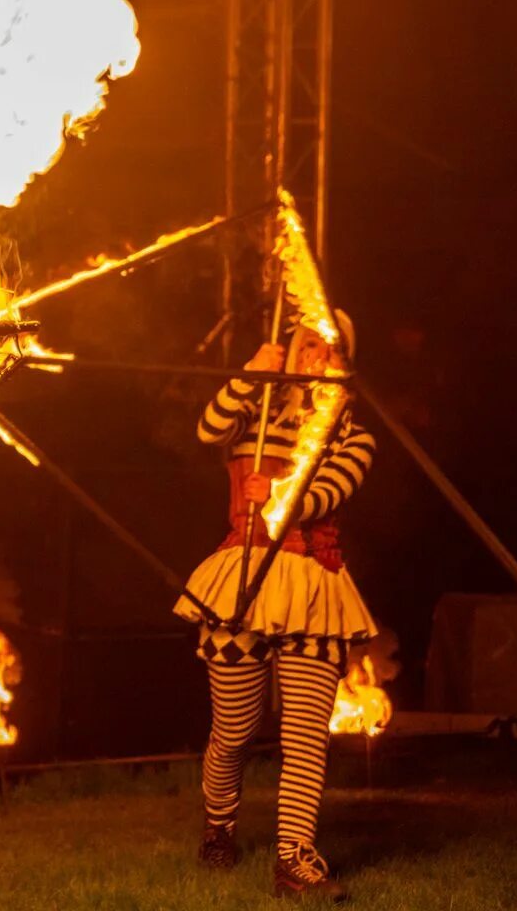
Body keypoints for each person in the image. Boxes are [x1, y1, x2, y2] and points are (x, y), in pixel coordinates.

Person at [175, 311, 376, 900]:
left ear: (342, 361)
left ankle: (295, 857)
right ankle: (219, 827)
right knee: (234, 729)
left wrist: (283, 496)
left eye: (329, 347)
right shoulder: (253, 414)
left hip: (315, 585)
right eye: (307, 343)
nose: (316, 354)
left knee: (307, 734)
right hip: (241, 580)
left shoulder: (351, 434)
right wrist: (247, 376)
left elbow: (330, 489)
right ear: (288, 351)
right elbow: (207, 431)